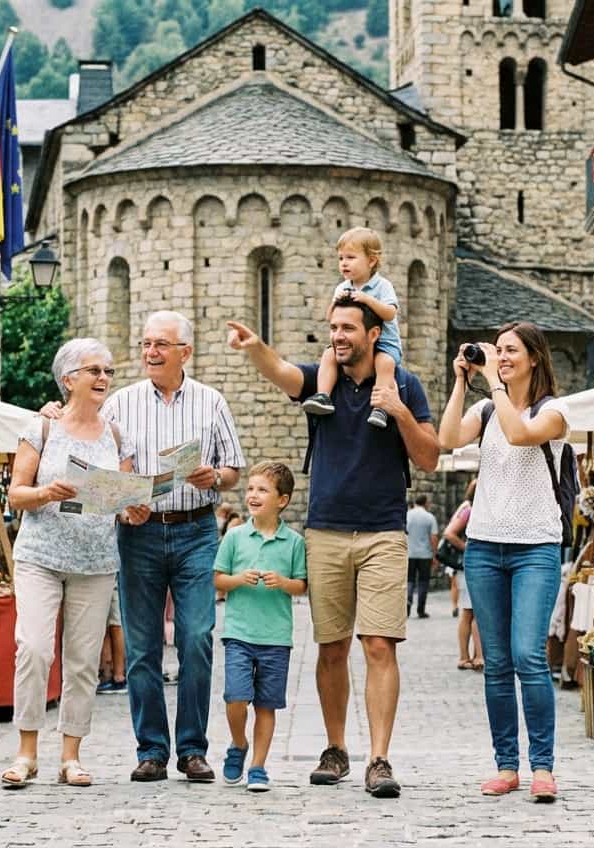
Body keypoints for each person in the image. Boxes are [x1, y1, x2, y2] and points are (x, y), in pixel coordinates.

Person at [226, 295, 440, 799]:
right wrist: (255, 348)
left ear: (372, 335)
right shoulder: (321, 384)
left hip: (384, 532)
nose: (338, 336)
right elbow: (280, 371)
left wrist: (399, 412)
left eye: (348, 328)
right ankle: (336, 749)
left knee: (379, 643)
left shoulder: (402, 383)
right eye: (333, 328)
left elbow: (430, 457)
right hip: (325, 531)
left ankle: (380, 758)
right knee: (331, 647)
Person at [103, 310, 246, 783]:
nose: (150, 352)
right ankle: (151, 750)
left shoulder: (211, 402)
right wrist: (126, 505)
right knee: (142, 648)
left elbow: (233, 471)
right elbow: (102, 468)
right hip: (139, 534)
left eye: (160, 344)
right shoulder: (120, 404)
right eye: (146, 344)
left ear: (185, 351)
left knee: (196, 638)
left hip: (196, 529)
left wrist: (215, 477)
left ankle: (191, 749)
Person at [1, 338, 149, 788]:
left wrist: (133, 509)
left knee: (83, 660)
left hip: (96, 561)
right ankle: (26, 752)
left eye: (107, 371)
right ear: (69, 380)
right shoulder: (41, 429)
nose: (103, 378)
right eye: (93, 371)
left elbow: (124, 498)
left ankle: (71, 756)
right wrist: (47, 492)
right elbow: (15, 493)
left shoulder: (118, 435)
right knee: (33, 648)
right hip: (41, 557)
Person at [437, 322, 570, 803]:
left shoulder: (554, 410)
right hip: (485, 548)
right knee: (495, 663)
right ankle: (506, 765)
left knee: (528, 657)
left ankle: (543, 767)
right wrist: (460, 381)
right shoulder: (487, 408)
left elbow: (521, 436)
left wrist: (493, 376)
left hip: (536, 547)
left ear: (534, 357)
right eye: (498, 351)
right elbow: (447, 439)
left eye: (511, 351)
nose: (503, 357)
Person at [213, 462, 308, 792]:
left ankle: (258, 767)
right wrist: (238, 580)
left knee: (267, 705)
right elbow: (218, 579)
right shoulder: (235, 537)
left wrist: (283, 582)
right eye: (250, 489)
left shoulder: (294, 542)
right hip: (238, 633)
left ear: (282, 500)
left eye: (262, 490)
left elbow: (301, 585)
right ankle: (238, 744)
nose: (253, 495)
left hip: (276, 637)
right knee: (236, 697)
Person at [299, 228, 402, 429]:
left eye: (350, 257)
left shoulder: (382, 286)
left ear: (371, 261)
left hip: (384, 345)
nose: (344, 263)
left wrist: (367, 299)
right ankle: (323, 396)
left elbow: (390, 313)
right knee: (329, 355)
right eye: (340, 258)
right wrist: (334, 303)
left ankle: (380, 408)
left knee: (384, 364)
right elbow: (330, 317)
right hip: (354, 346)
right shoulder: (342, 287)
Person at [443, 485, 483, 671]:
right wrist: (468, 548)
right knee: (472, 611)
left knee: (470, 612)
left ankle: (470, 656)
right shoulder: (469, 509)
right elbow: (449, 533)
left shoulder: (466, 508)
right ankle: (472, 656)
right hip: (470, 566)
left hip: (470, 566)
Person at [405, 494, 438, 618]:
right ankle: (421, 609)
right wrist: (434, 555)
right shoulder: (430, 517)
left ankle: (407, 606)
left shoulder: (407, 515)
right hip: (425, 555)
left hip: (410, 553)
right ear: (425, 503)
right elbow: (434, 537)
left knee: (410, 580)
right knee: (423, 582)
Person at [96, 586, 127, 695]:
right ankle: (109, 674)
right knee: (112, 625)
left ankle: (119, 676)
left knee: (116, 624)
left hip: (114, 579)